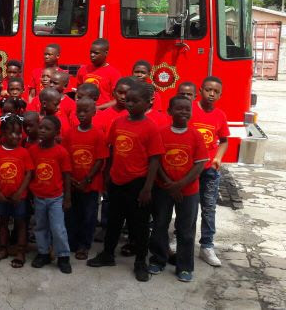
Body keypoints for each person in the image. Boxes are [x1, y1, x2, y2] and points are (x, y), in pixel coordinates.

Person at [87, 81, 164, 282]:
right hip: (117, 180)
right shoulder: (118, 122)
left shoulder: (150, 127)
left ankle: (140, 262)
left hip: (138, 183)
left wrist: (147, 188)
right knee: (114, 221)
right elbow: (112, 149)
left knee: (139, 225)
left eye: (135, 101)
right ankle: (108, 254)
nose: (129, 104)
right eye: (127, 100)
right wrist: (107, 175)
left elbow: (155, 159)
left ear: (147, 103)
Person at [148, 95, 209, 282]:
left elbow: (199, 164)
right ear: (169, 111)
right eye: (179, 108)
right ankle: (158, 259)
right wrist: (169, 183)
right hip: (163, 188)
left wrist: (180, 184)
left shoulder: (195, 135)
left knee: (186, 229)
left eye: (187, 109)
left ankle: (184, 266)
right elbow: (157, 161)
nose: (183, 112)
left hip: (188, 191)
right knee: (160, 224)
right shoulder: (161, 133)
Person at [62, 97, 108, 260]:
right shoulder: (70, 133)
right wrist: (71, 180)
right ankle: (72, 241)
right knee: (71, 214)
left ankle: (84, 245)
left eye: (85, 111)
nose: (81, 114)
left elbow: (100, 159)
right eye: (79, 111)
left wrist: (87, 179)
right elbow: (65, 159)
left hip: (90, 184)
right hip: (72, 183)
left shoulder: (98, 134)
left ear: (94, 112)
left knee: (88, 216)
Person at [191, 76, 229, 267]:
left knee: (208, 207)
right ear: (200, 91)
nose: (211, 94)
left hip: (209, 171)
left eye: (216, 91)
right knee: (186, 207)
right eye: (208, 90)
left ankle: (206, 245)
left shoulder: (220, 115)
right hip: (190, 169)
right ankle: (180, 239)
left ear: (220, 95)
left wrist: (218, 158)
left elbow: (224, 140)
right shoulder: (190, 110)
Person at [28, 115, 73, 273]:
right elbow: (31, 173)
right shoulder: (33, 150)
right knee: (40, 227)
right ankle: (43, 253)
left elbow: (66, 175)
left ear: (56, 132)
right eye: (41, 127)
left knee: (58, 228)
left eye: (47, 129)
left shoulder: (61, 152)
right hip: (39, 197)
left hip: (56, 198)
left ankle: (63, 256)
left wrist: (67, 197)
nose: (42, 131)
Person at [0, 113, 33, 268]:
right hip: (2, 195)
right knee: (3, 221)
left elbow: (29, 173)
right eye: (12, 133)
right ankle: (3, 248)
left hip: (19, 197)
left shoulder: (24, 152)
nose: (16, 136)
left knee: (21, 223)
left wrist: (20, 192)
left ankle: (20, 252)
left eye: (19, 133)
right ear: (3, 134)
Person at [76, 38, 121, 110]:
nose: (92, 55)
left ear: (106, 53)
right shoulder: (83, 70)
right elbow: (77, 93)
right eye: (91, 52)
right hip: (85, 111)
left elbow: (117, 100)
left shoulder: (114, 74)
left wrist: (97, 108)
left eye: (96, 53)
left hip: (104, 112)